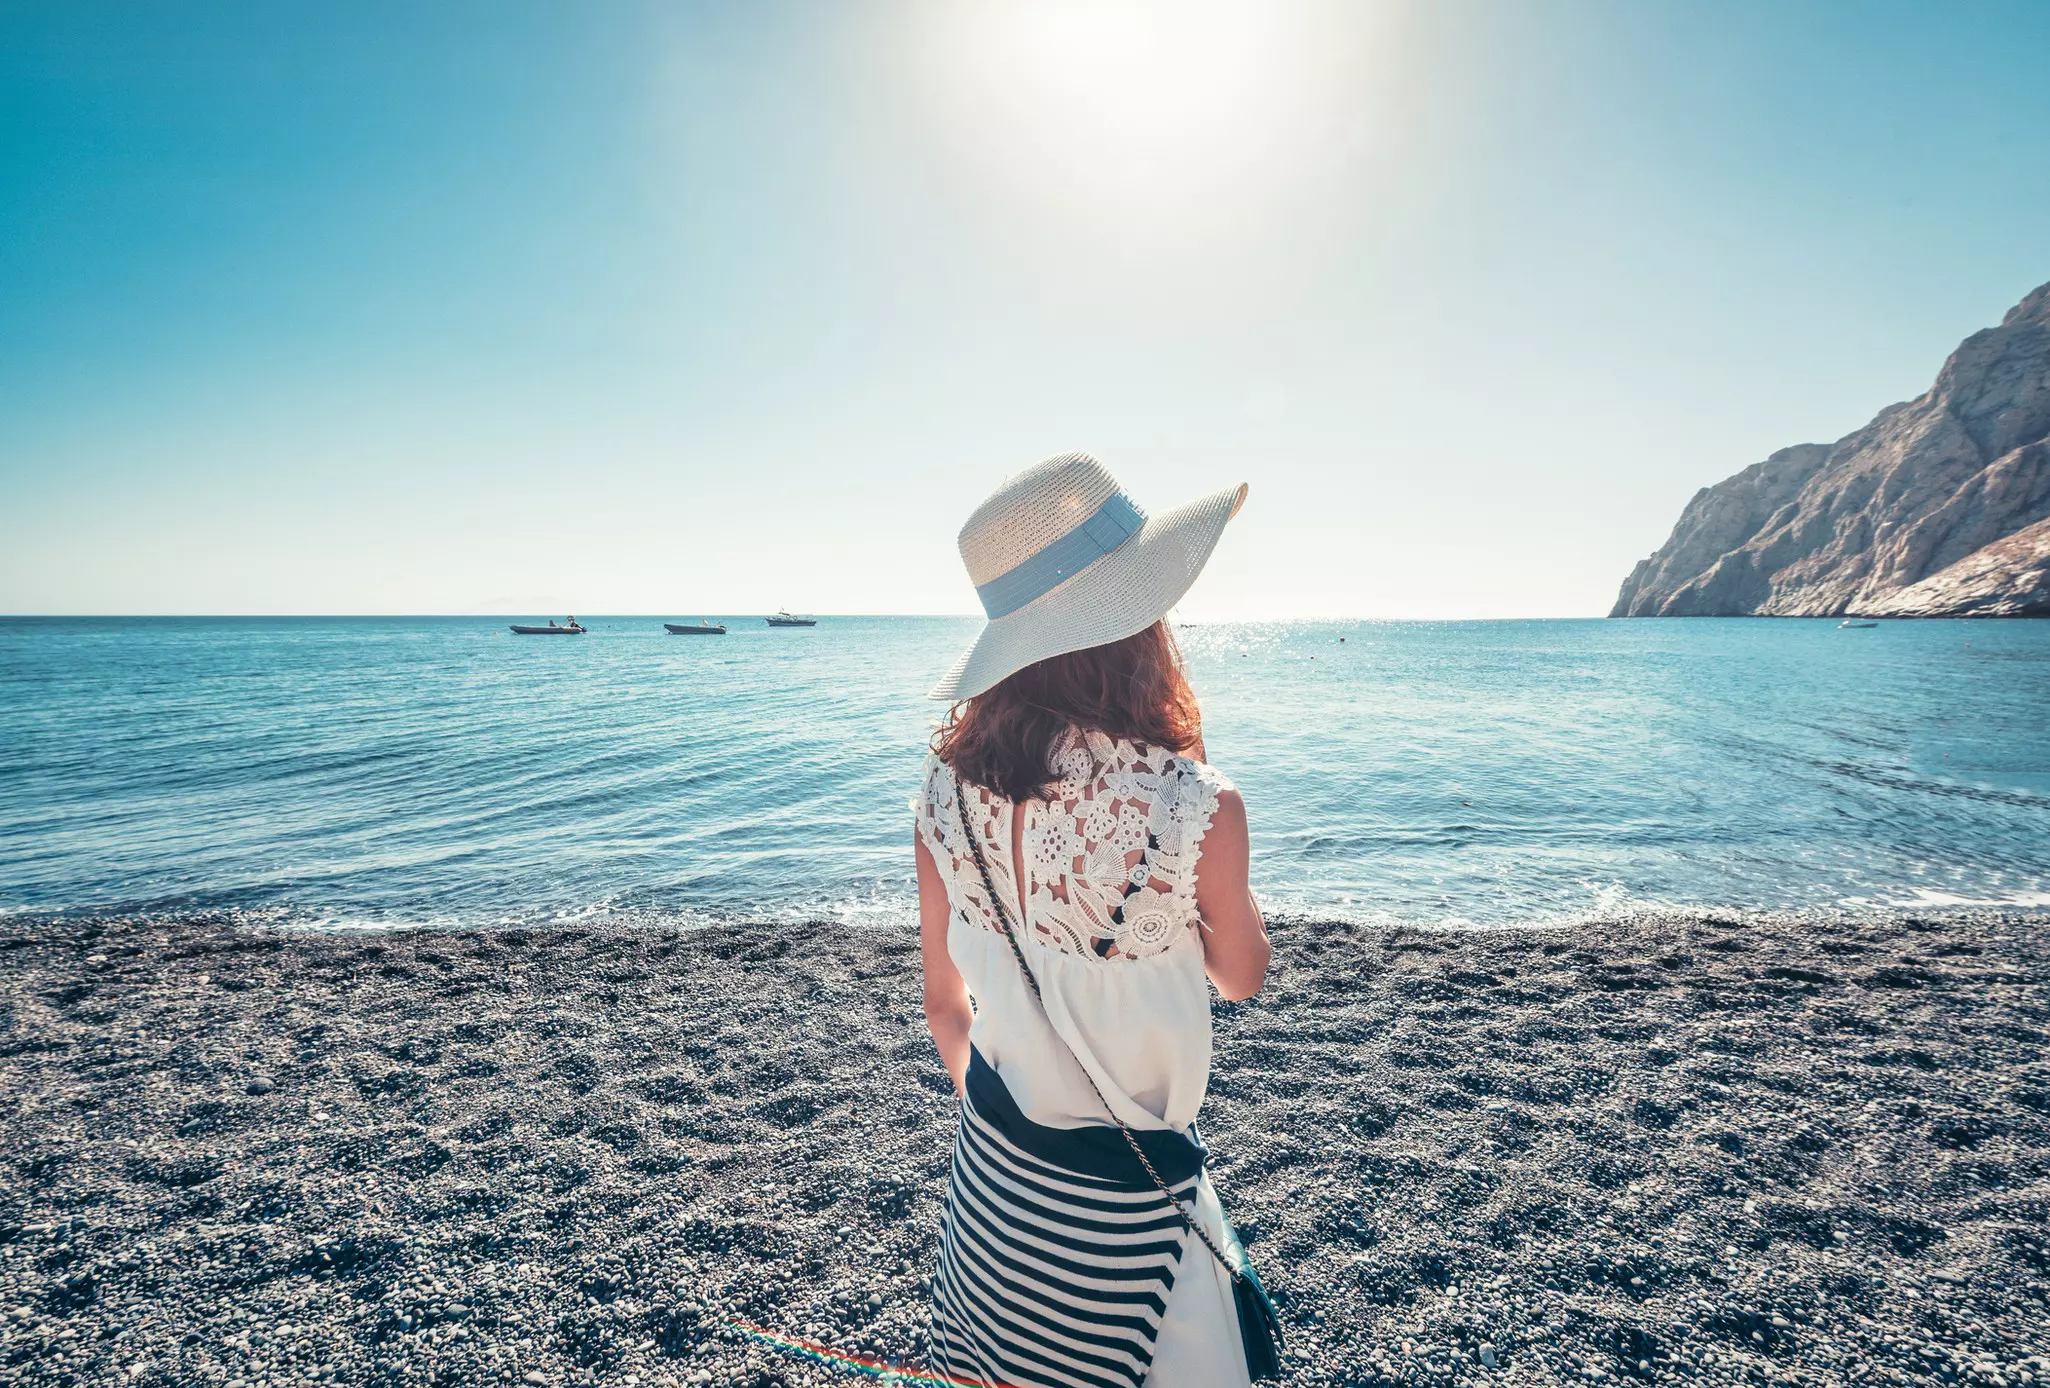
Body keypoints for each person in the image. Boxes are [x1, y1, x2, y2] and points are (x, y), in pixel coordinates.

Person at [913, 452, 1273, 1388]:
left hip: (995, 1194)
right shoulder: (1191, 805)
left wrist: (1019, 1123)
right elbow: (1241, 976)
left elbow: (944, 1006)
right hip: (1132, 1210)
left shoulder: (943, 793)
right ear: (1138, 624)